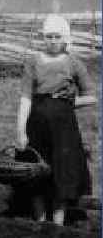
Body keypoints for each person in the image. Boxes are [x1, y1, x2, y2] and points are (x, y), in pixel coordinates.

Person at [16, 13, 97, 225]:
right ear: (43, 37)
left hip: (64, 128)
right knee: (36, 171)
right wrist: (20, 131)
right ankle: (41, 220)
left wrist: (71, 101)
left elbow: (92, 96)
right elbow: (25, 98)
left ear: (65, 38)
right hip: (37, 125)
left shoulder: (73, 63)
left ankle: (58, 224)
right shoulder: (33, 61)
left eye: (57, 37)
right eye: (49, 37)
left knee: (62, 172)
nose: (53, 42)